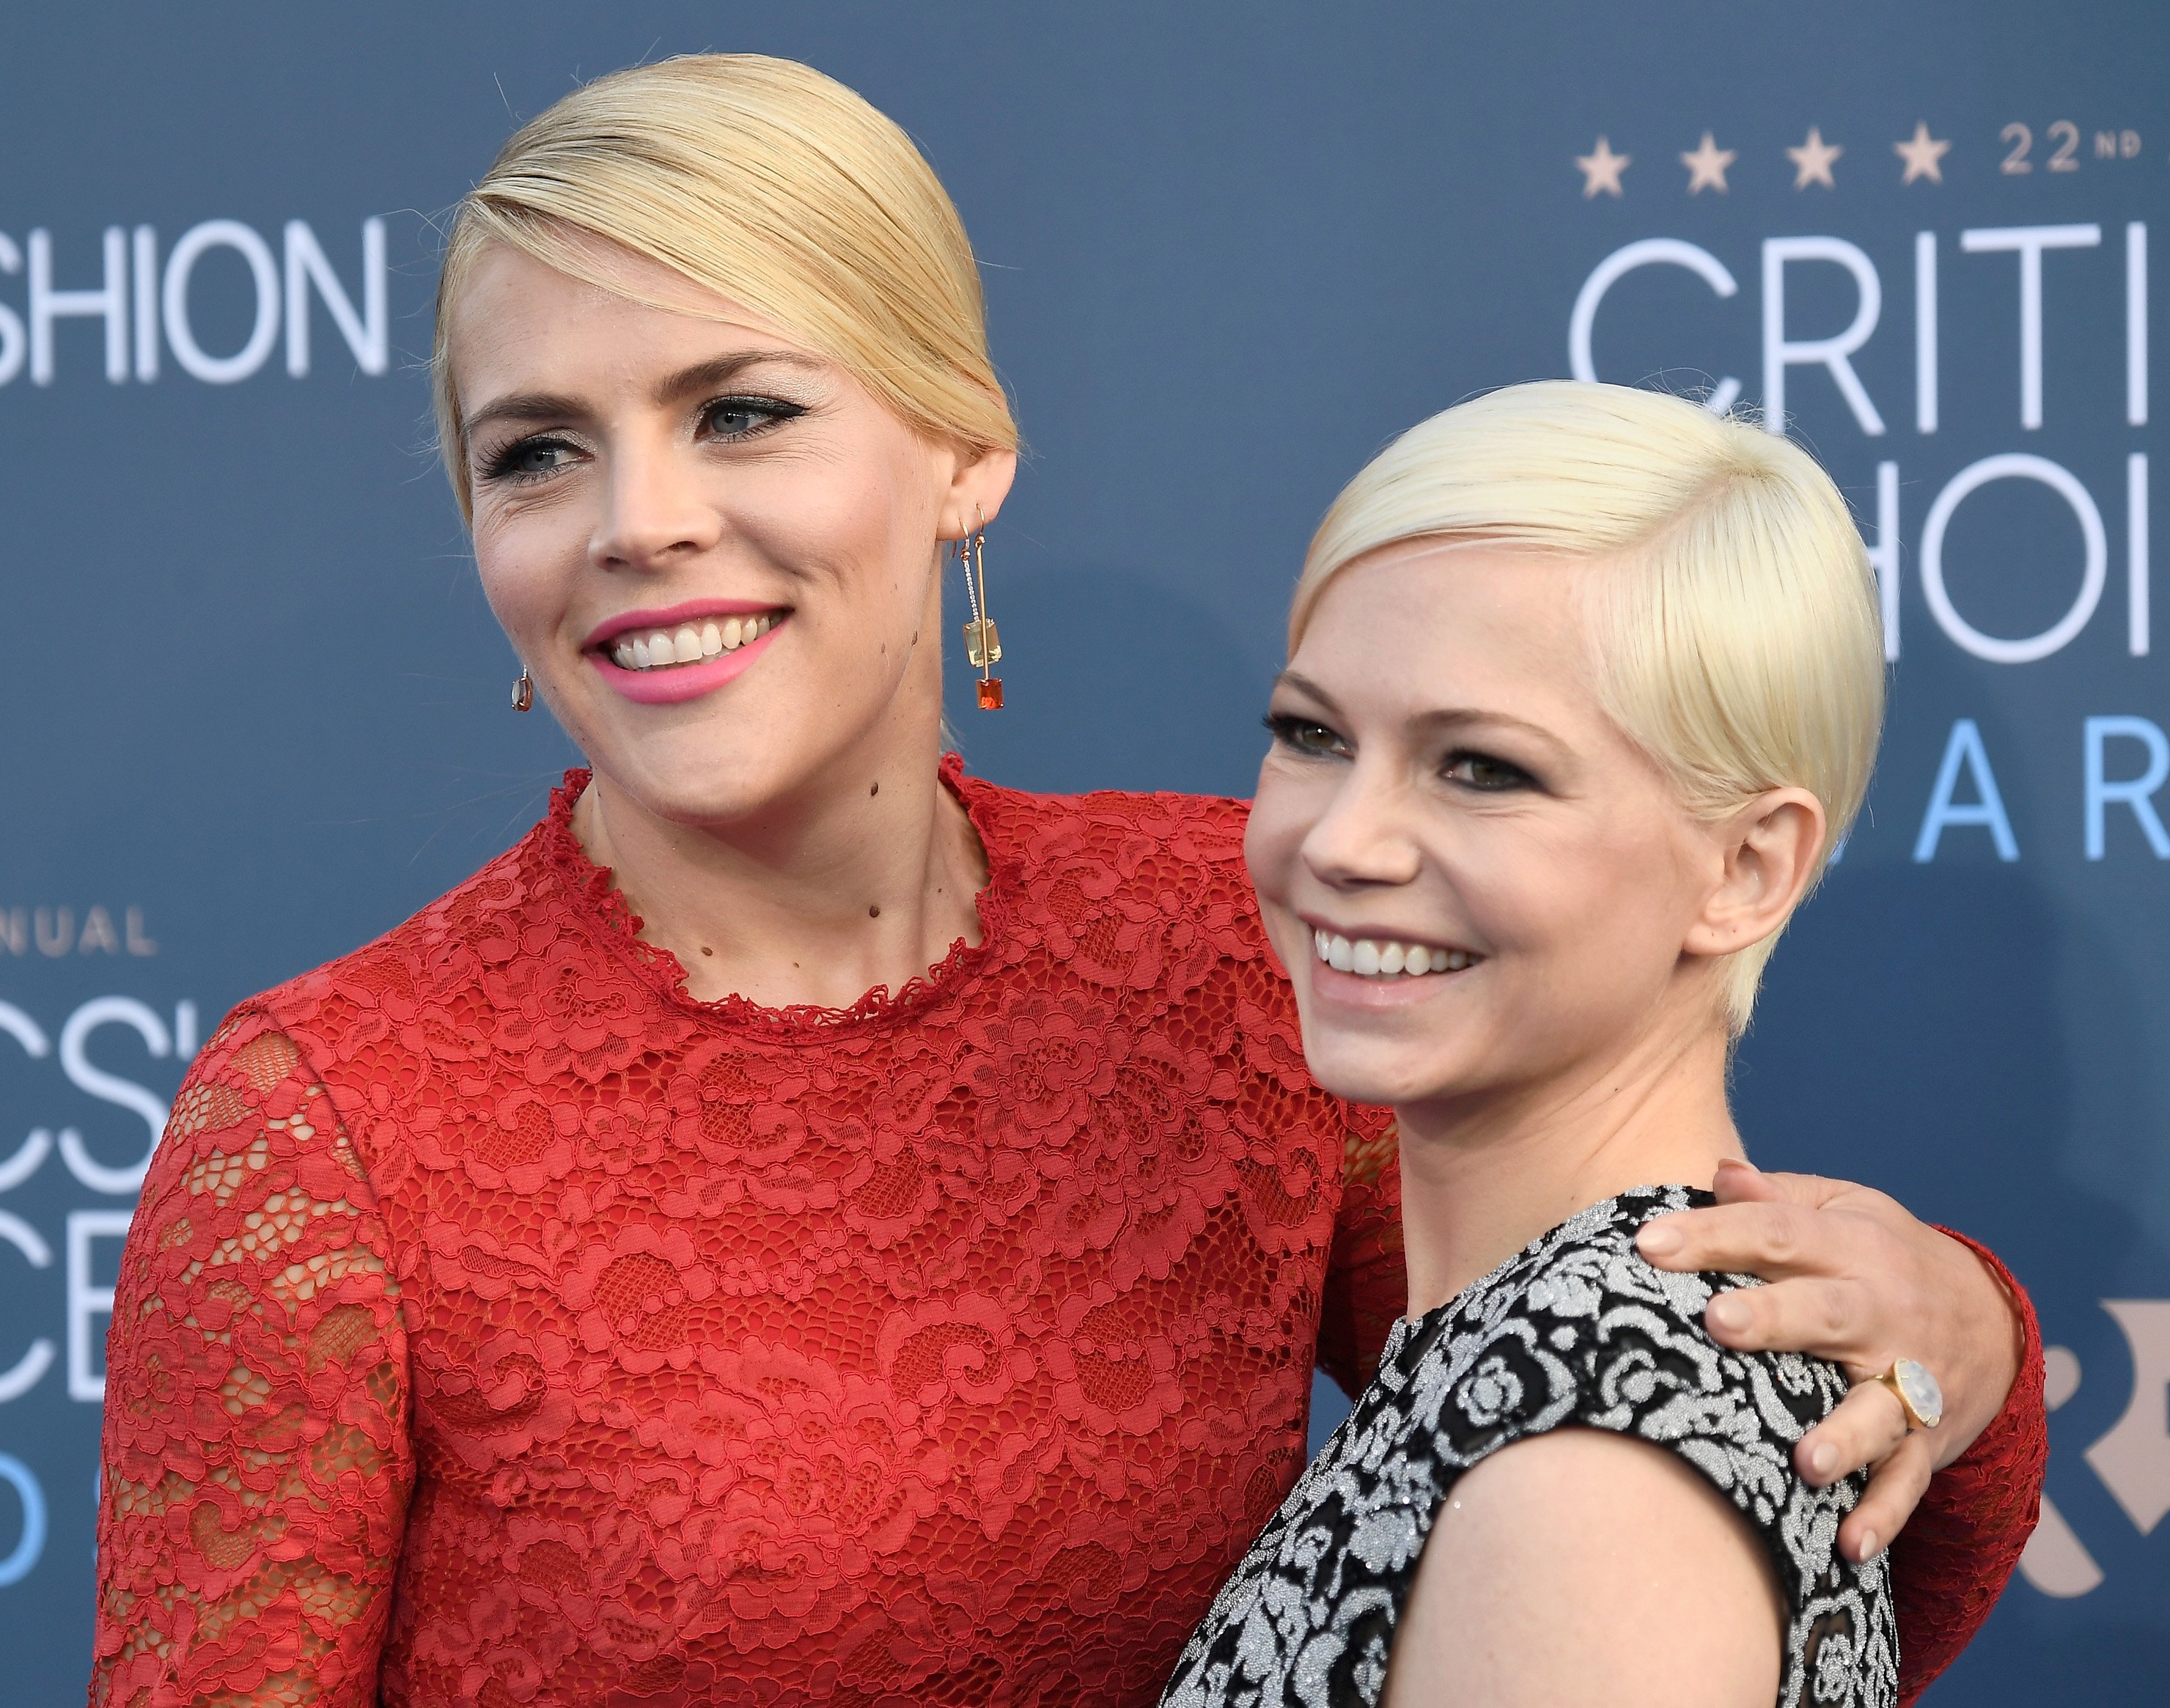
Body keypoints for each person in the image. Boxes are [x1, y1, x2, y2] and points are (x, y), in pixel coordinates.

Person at [90, 57, 2040, 1708]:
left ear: (963, 452)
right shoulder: (325, 1133)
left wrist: (1954, 1337)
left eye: (741, 409)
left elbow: (1621, 1489)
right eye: (536, 453)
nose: (642, 522)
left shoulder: (1241, 954)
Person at [1166, 381, 2022, 1707]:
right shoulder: (1555, 1357)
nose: (1341, 840)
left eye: (1483, 768)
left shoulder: (1591, 1458)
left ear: (1744, 868)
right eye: (1312, 735)